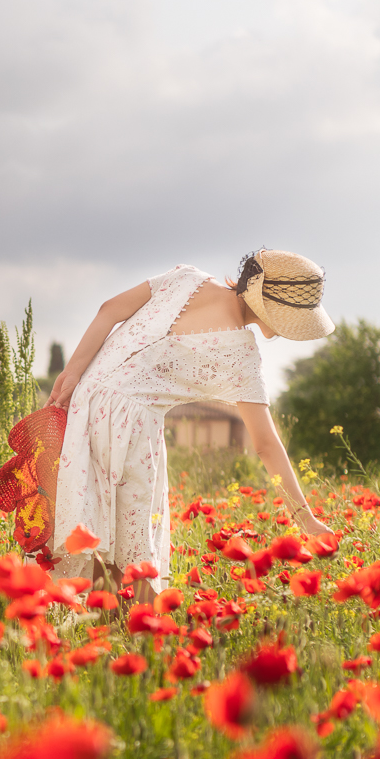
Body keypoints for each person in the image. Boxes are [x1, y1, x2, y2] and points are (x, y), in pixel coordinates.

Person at [45, 248, 333, 593]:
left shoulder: (187, 279)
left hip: (88, 400)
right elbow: (266, 444)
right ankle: (135, 634)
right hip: (133, 425)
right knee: (131, 549)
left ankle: (93, 631)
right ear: (269, 303)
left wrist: (73, 373)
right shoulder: (241, 353)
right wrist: (307, 519)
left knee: (92, 529)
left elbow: (109, 310)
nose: (289, 331)